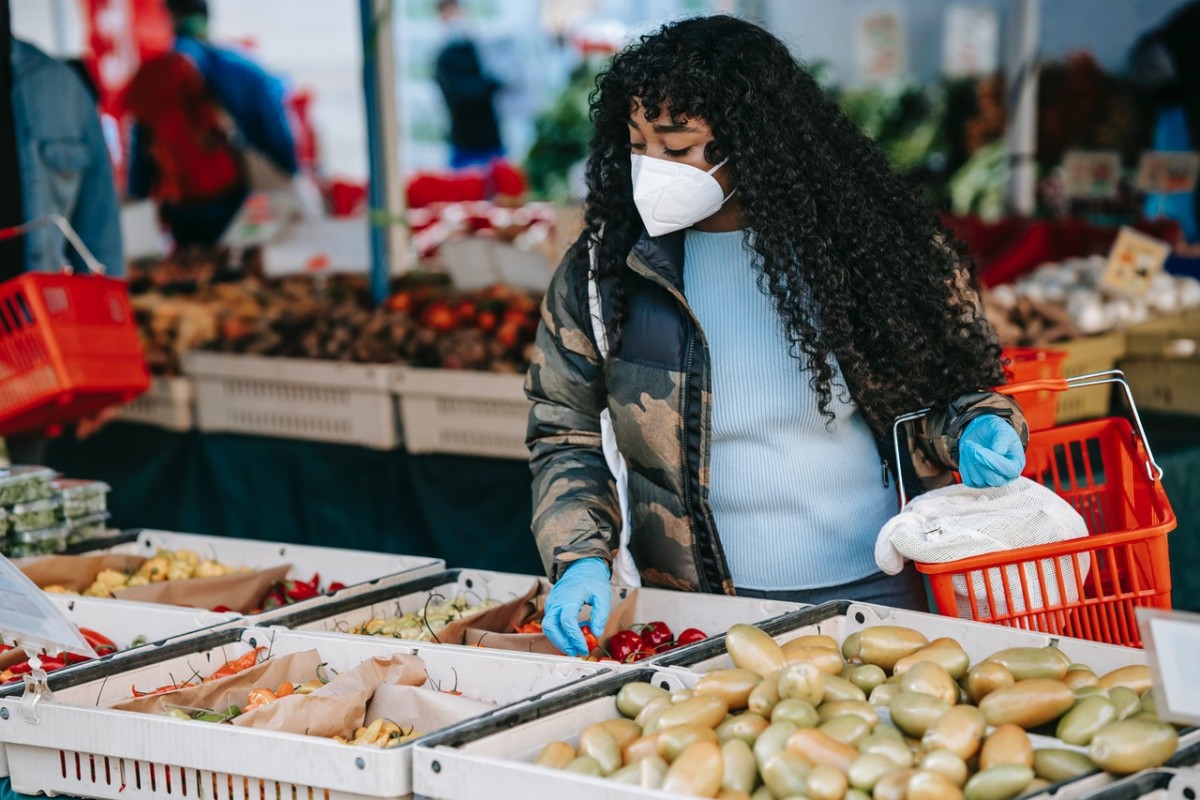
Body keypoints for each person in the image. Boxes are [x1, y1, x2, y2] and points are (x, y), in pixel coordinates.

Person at [526, 16, 1030, 657]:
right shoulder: (604, 273)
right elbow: (562, 430)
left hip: (878, 599)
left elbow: (946, 394)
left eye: (678, 149)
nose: (652, 170)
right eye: (637, 145)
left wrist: (978, 426)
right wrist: (580, 558)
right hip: (701, 616)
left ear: (754, 142)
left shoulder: (864, 253)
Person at [0, 14, 124, 464]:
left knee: (23, 515)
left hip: (31, 364)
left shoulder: (58, 88)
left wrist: (107, 367)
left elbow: (99, 232)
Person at [126, 0, 298, 247]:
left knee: (193, 272)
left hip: (181, 203)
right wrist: (287, 169)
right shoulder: (239, 67)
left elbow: (141, 151)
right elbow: (279, 136)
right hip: (236, 195)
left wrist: (140, 196)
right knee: (242, 268)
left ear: (169, 18)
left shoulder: (151, 74)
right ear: (206, 18)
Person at [434, 0, 505, 170]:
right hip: (464, 143)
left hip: (490, 139)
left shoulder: (478, 48)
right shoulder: (445, 58)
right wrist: (490, 84)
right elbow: (463, 95)